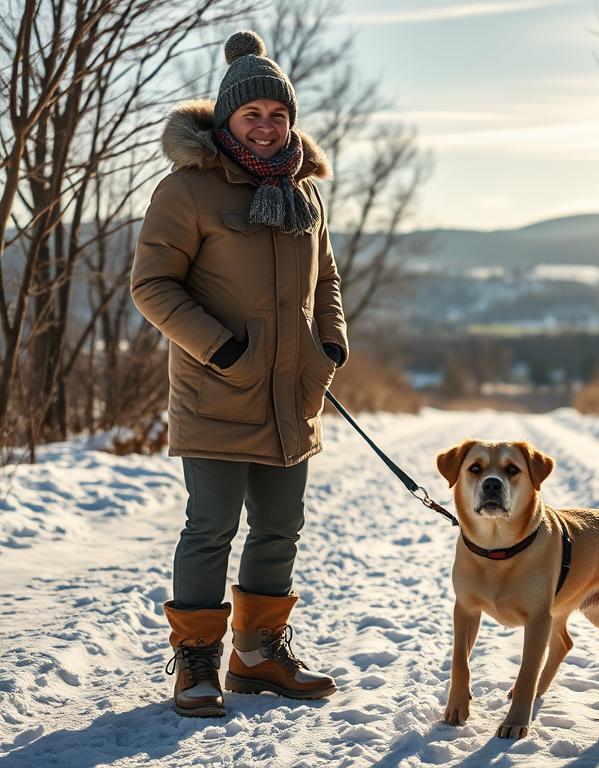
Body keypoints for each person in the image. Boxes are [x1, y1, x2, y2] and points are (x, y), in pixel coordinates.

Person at [130, 30, 348, 718]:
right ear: (226, 120)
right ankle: (196, 662)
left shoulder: (305, 195)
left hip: (292, 393)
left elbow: (328, 277)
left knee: (281, 528)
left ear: (291, 122)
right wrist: (220, 350)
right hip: (217, 389)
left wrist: (331, 345)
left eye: (278, 115)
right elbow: (152, 285)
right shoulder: (187, 188)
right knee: (211, 527)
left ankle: (258, 655)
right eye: (252, 114)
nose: (266, 125)